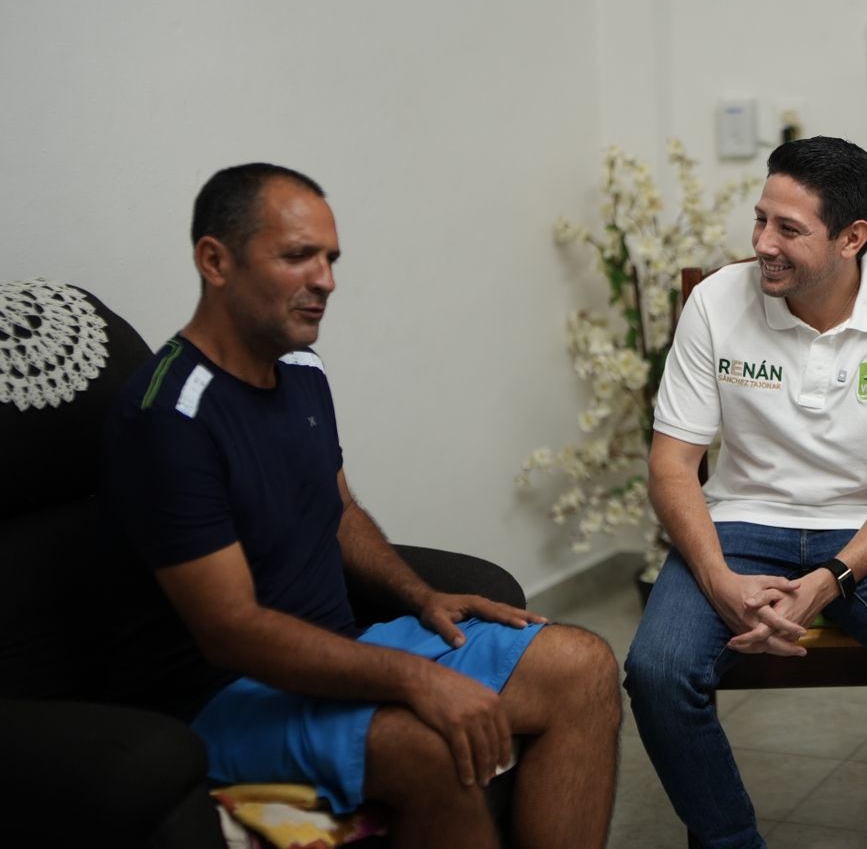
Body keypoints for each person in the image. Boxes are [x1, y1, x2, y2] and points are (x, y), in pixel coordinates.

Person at [100, 164, 620, 849]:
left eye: (331, 259)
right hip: (226, 697)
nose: (326, 280)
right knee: (432, 748)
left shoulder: (300, 368)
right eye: (298, 256)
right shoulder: (169, 416)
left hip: (340, 650)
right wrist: (415, 681)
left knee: (584, 666)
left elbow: (339, 510)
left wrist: (421, 596)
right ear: (215, 261)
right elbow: (232, 631)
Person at [623, 136, 867, 849]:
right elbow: (672, 466)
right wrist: (718, 580)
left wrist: (829, 580)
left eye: (789, 229)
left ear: (852, 238)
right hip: (740, 522)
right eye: (760, 219)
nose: (762, 243)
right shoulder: (715, 303)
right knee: (656, 671)